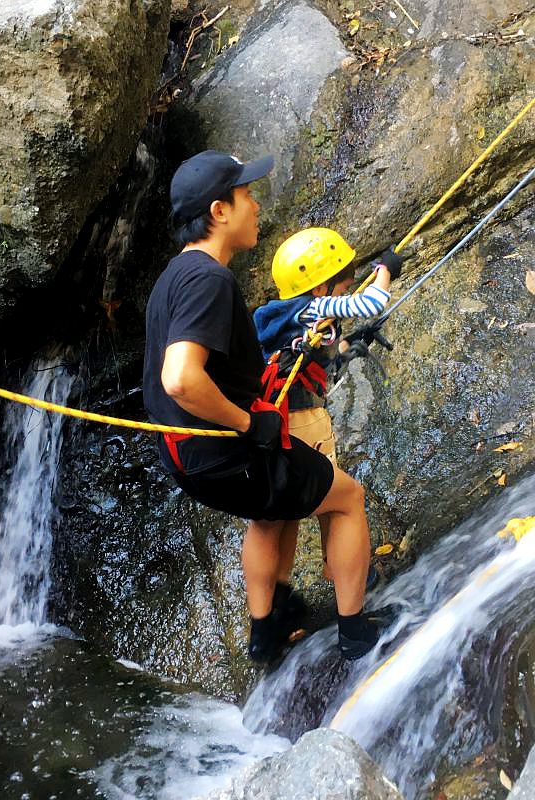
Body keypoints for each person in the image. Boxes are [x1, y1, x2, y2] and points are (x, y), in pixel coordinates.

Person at [143, 150, 389, 663]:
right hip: (225, 450)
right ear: (219, 211)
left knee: (271, 515)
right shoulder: (209, 279)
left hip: (187, 456)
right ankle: (355, 634)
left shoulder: (172, 278)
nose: (256, 206)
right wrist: (247, 422)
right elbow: (180, 378)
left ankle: (267, 632)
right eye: (247, 195)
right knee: (347, 498)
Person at [253, 228, 402, 587]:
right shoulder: (313, 306)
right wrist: (385, 269)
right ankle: (348, 577)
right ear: (320, 287)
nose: (346, 293)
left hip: (283, 421)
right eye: (342, 287)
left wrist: (349, 341)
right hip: (304, 423)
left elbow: (307, 356)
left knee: (291, 513)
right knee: (339, 502)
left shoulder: (286, 318)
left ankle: (280, 610)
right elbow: (370, 302)